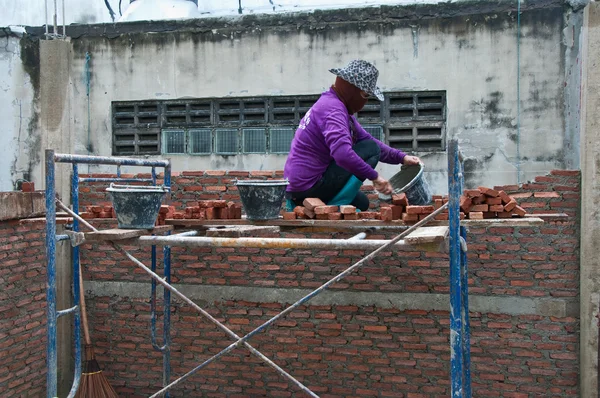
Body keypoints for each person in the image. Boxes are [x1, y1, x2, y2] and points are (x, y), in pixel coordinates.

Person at [283, 59, 421, 211]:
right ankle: (328, 209)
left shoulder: (334, 105)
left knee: (362, 203)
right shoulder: (333, 110)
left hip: (299, 187)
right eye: (366, 95)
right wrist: (375, 177)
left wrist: (402, 158)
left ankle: (329, 204)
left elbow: (366, 138)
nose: (365, 102)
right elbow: (342, 154)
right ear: (354, 90)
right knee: (370, 149)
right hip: (308, 187)